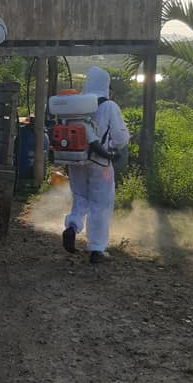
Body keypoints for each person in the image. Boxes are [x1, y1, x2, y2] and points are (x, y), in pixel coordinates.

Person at [62, 66, 130, 264]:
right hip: (101, 162)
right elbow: (121, 137)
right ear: (105, 85)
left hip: (75, 160)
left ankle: (72, 227)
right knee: (100, 204)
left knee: (80, 197)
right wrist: (113, 149)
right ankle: (96, 249)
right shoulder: (109, 106)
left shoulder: (74, 104)